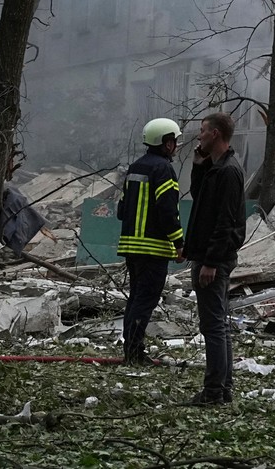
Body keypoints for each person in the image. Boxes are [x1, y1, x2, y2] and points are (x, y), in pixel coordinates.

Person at [181, 111, 248, 406]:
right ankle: (222, 388)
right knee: (217, 324)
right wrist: (198, 164)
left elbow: (226, 221)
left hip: (214, 261)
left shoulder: (229, 172)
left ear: (216, 134)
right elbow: (199, 198)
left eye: (203, 131)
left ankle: (214, 391)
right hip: (208, 255)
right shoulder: (216, 168)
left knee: (213, 326)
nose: (199, 136)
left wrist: (210, 261)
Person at [118, 118, 184, 365]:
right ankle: (134, 355)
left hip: (130, 247)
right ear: (166, 143)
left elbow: (121, 210)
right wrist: (179, 241)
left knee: (135, 299)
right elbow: (167, 210)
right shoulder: (163, 169)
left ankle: (131, 351)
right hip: (153, 248)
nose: (176, 146)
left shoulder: (135, 167)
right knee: (145, 301)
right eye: (174, 141)